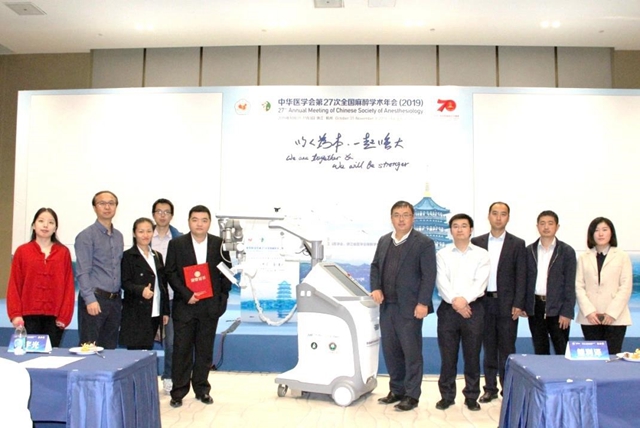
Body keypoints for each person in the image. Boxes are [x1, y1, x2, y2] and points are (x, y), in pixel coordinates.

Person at [370, 200, 436, 412]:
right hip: (387, 306)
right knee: (391, 352)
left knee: (411, 353)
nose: (401, 219)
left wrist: (423, 302)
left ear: (413, 218)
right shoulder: (384, 241)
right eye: (397, 215)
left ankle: (411, 395)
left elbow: (429, 275)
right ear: (391, 218)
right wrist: (376, 287)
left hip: (410, 308)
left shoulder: (423, 243)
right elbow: (375, 267)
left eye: (405, 215)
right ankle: (396, 390)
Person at [165, 205, 232, 408]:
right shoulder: (177, 244)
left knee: (204, 351)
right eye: (195, 220)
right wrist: (187, 294)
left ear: (209, 223)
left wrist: (222, 300)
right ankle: (178, 392)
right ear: (189, 222)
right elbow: (170, 273)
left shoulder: (219, 244)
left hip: (210, 308)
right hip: (185, 305)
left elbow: (226, 273)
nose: (199, 224)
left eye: (204, 220)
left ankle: (202, 389)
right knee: (181, 350)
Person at [470, 201, 526, 403]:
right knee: (488, 347)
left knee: (507, 348)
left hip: (507, 304)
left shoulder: (517, 244)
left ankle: (508, 388)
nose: (499, 217)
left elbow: (522, 276)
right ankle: (490, 388)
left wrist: (519, 303)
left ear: (508, 217)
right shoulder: (477, 242)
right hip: (483, 302)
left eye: (503, 214)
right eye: (495, 213)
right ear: (488, 216)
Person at [435, 213, 490, 412]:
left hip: (473, 309)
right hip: (448, 310)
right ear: (451, 230)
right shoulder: (442, 254)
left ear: (471, 230)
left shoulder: (482, 254)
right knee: (448, 357)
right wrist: (456, 302)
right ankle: (447, 396)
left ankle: (471, 396)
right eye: (455, 226)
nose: (459, 229)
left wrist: (464, 300)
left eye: (464, 226)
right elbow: (441, 282)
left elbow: (481, 282)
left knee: (472, 356)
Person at [6, 208, 75, 348]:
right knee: (28, 355)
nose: (45, 225)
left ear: (55, 228)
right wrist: (15, 314)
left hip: (55, 318)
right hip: (27, 316)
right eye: (41, 221)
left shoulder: (63, 253)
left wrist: (64, 316)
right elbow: (14, 285)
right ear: (33, 225)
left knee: (51, 355)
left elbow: (68, 286)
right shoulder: (22, 251)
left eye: (51, 222)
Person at [74, 190, 124, 349]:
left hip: (114, 301)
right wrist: (90, 299)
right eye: (102, 203)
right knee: (89, 347)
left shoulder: (119, 236)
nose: (107, 207)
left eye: (111, 203)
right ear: (95, 208)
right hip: (95, 299)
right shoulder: (86, 236)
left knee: (109, 348)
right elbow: (82, 271)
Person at [575, 217, 632, 355]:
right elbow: (579, 286)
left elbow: (625, 286)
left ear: (611, 233)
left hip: (616, 318)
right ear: (591, 234)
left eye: (604, 230)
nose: (600, 234)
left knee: (612, 356)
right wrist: (589, 311)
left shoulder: (622, 256)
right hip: (590, 318)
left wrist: (612, 313)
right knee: (594, 357)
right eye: (596, 230)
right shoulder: (583, 257)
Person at [525, 210, 577, 355]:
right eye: (542, 223)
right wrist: (525, 305)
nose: (546, 227)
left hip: (558, 308)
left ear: (557, 227)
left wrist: (567, 312)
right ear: (537, 227)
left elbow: (570, 284)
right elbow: (524, 280)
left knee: (562, 350)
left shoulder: (566, 251)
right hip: (536, 308)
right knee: (540, 350)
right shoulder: (529, 251)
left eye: (550, 223)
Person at [120, 217, 170, 350]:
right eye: (141, 231)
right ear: (134, 233)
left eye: (149, 231)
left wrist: (165, 311)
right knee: (136, 353)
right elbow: (125, 282)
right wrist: (141, 290)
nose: (145, 235)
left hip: (155, 311)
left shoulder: (157, 256)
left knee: (148, 349)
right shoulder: (128, 256)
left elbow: (163, 285)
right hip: (135, 313)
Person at [151, 198, 183, 394]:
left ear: (172, 215)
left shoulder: (179, 239)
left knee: (171, 341)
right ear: (153, 214)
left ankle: (169, 376)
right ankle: (145, 377)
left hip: (171, 298)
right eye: (159, 211)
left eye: (166, 212)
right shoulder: (145, 235)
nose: (162, 215)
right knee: (143, 340)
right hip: (148, 298)